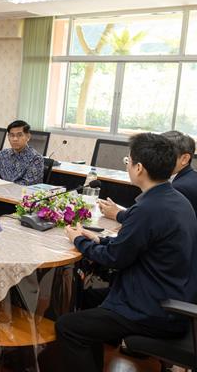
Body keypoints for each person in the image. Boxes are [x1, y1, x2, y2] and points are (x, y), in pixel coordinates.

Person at [56, 133, 197, 372]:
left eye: (127, 161)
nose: (128, 165)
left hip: (154, 308)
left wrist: (79, 239)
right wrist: (98, 238)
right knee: (88, 299)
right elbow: (134, 246)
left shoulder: (148, 209)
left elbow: (115, 259)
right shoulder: (174, 199)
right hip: (170, 292)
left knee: (68, 326)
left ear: (139, 167)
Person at [98, 130, 197, 219]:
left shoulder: (180, 188)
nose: (159, 157)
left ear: (184, 158)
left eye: (167, 154)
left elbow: (151, 219)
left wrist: (117, 214)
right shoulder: (187, 178)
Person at [0, 120, 43, 185]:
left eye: (19, 135)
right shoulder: (3, 154)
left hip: (21, 196)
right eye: (12, 135)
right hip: (1, 194)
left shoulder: (35, 158)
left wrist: (4, 186)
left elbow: (28, 184)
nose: (15, 139)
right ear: (8, 137)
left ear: (28, 137)